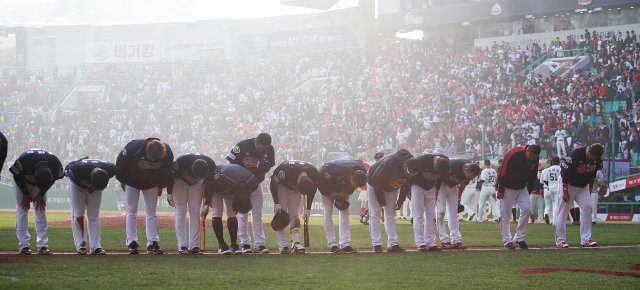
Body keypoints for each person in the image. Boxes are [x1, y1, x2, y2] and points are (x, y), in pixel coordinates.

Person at [116, 138, 174, 255]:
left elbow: (167, 170)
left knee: (151, 212)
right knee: (131, 211)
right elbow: (120, 163)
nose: (152, 162)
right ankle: (132, 242)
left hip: (152, 183)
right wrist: (121, 180)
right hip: (132, 182)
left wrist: (161, 185)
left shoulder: (167, 151)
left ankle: (153, 242)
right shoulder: (133, 147)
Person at [227, 133, 275, 254]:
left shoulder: (269, 148)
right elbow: (231, 164)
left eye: (266, 147)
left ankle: (259, 244)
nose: (264, 149)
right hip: (241, 185)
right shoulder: (242, 146)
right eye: (262, 147)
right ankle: (245, 243)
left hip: (256, 184)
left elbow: (269, 165)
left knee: (257, 214)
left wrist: (263, 170)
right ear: (256, 142)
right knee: (242, 214)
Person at [10, 148, 64, 255]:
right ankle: (24, 245)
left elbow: (52, 180)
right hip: (22, 182)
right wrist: (25, 193)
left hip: (41, 186)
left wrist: (40, 193)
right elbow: (16, 175)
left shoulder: (55, 164)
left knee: (41, 211)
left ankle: (42, 246)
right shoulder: (25, 160)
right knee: (22, 211)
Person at [366, 149, 417, 253]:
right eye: (409, 172)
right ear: (405, 166)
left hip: (391, 186)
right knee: (375, 213)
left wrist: (401, 200)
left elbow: (407, 183)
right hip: (374, 182)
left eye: (413, 173)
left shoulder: (412, 166)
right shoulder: (390, 164)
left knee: (391, 214)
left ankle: (393, 244)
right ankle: (376, 245)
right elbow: (376, 180)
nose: (411, 174)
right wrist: (382, 202)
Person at [555, 143, 604, 248]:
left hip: (583, 186)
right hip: (568, 183)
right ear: (589, 152)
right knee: (563, 211)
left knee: (587, 208)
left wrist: (590, 188)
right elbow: (565, 172)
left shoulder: (597, 158)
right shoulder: (577, 153)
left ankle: (586, 239)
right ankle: (560, 240)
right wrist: (565, 190)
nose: (593, 159)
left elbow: (593, 174)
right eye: (593, 156)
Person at [65, 157, 116, 255]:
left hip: (95, 190)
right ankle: (81, 245)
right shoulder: (77, 169)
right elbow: (67, 168)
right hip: (77, 187)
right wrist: (78, 160)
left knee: (94, 216)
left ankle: (96, 246)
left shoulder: (111, 168)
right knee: (79, 215)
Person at [399, 153, 449, 252]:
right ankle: (420, 243)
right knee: (418, 215)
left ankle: (430, 243)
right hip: (417, 186)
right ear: (435, 163)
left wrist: (436, 189)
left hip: (431, 187)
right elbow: (409, 175)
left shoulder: (445, 162)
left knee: (431, 216)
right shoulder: (421, 160)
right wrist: (408, 192)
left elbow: (442, 178)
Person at [202, 164, 257, 255]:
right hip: (215, 187)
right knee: (217, 212)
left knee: (231, 214)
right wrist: (207, 203)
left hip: (232, 186)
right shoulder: (224, 179)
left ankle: (234, 244)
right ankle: (221, 245)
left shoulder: (252, 183)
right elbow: (210, 184)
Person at [168, 153, 216, 255]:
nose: (195, 178)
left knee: (195, 212)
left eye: (200, 177)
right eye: (195, 176)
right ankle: (182, 245)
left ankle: (194, 245)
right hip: (179, 182)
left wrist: (207, 203)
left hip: (197, 185)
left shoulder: (211, 165)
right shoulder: (181, 161)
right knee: (181, 211)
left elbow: (210, 184)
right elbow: (170, 176)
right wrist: (169, 192)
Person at [317, 159, 367, 253]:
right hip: (327, 185)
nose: (355, 187)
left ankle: (345, 244)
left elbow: (352, 187)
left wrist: (346, 193)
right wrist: (330, 194)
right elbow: (320, 180)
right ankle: (332, 244)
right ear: (351, 177)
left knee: (345, 212)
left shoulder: (362, 171)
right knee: (328, 212)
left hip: (342, 187)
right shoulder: (333, 169)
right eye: (354, 184)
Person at [270, 160, 319, 254]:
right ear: (298, 181)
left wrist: (307, 209)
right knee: (280, 214)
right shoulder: (285, 171)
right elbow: (273, 182)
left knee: (295, 216)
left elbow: (312, 191)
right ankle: (283, 245)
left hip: (294, 190)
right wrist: (276, 202)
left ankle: (296, 243)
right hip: (281, 187)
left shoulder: (314, 173)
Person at [496, 145, 540, 250]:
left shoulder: (535, 158)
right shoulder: (513, 154)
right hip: (507, 187)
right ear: (527, 150)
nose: (531, 158)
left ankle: (519, 238)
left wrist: (528, 191)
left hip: (522, 187)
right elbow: (503, 171)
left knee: (526, 208)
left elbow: (533, 176)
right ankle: (507, 241)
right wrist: (500, 189)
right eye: (530, 155)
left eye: (534, 157)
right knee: (505, 214)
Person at [436, 158, 480, 250]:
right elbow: (439, 174)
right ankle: (444, 240)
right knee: (441, 212)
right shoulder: (453, 164)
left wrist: (459, 197)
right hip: (442, 185)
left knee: (454, 212)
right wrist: (436, 191)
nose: (471, 178)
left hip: (452, 187)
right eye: (470, 175)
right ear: (466, 169)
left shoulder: (469, 172)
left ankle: (456, 240)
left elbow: (463, 184)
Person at [540, 157, 561, 225]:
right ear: (559, 162)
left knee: (550, 205)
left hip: (549, 188)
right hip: (558, 188)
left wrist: (549, 185)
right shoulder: (561, 169)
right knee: (556, 205)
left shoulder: (547, 170)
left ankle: (547, 214)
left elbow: (544, 180)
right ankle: (555, 221)